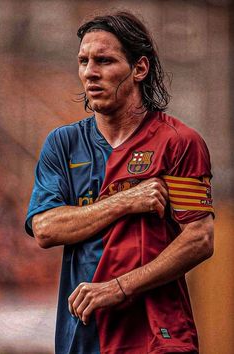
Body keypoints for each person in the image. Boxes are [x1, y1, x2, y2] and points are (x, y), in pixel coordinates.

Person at [25, 11, 214, 354]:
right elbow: (45, 228)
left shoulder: (178, 142)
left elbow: (200, 239)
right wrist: (127, 200)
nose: (90, 72)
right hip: (83, 334)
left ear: (139, 69)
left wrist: (119, 287)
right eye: (83, 61)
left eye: (104, 61)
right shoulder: (62, 144)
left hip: (158, 336)